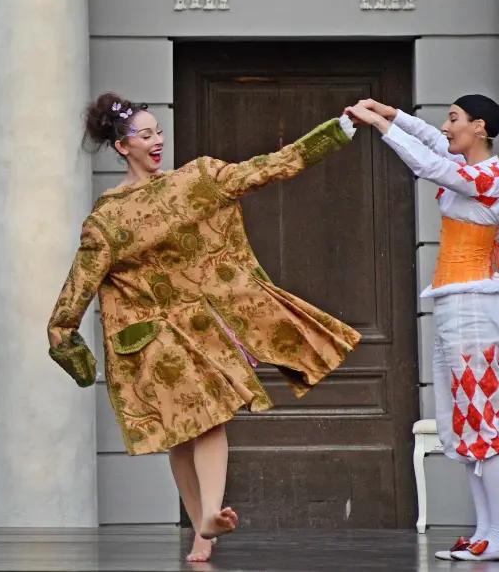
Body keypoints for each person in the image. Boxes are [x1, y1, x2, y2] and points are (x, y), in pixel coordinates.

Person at [48, 93, 363, 563]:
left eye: (158, 132)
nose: (157, 141)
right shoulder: (107, 220)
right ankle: (206, 522)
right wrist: (69, 347)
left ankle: (207, 522)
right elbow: (76, 292)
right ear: (122, 147)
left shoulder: (196, 180)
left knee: (200, 423)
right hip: (158, 343)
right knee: (191, 431)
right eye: (146, 134)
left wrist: (335, 132)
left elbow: (268, 167)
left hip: (198, 330)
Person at [345, 96, 499, 562]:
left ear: (478, 127)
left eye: (454, 119)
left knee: (481, 422)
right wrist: (389, 112)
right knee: (461, 425)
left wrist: (381, 128)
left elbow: (428, 165)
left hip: (474, 312)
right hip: (455, 307)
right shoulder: (467, 166)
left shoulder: (488, 175)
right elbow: (429, 143)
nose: (445, 126)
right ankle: (486, 532)